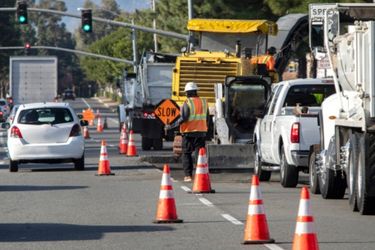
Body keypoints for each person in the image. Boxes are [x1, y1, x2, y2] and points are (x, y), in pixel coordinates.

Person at [165, 82, 209, 182]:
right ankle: (200, 174)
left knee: (186, 153)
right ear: (196, 91)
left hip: (189, 132)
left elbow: (184, 118)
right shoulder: (204, 102)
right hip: (201, 132)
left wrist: (171, 126)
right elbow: (207, 118)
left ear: (187, 93)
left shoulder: (188, 102)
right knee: (200, 154)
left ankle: (188, 176)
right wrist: (206, 129)